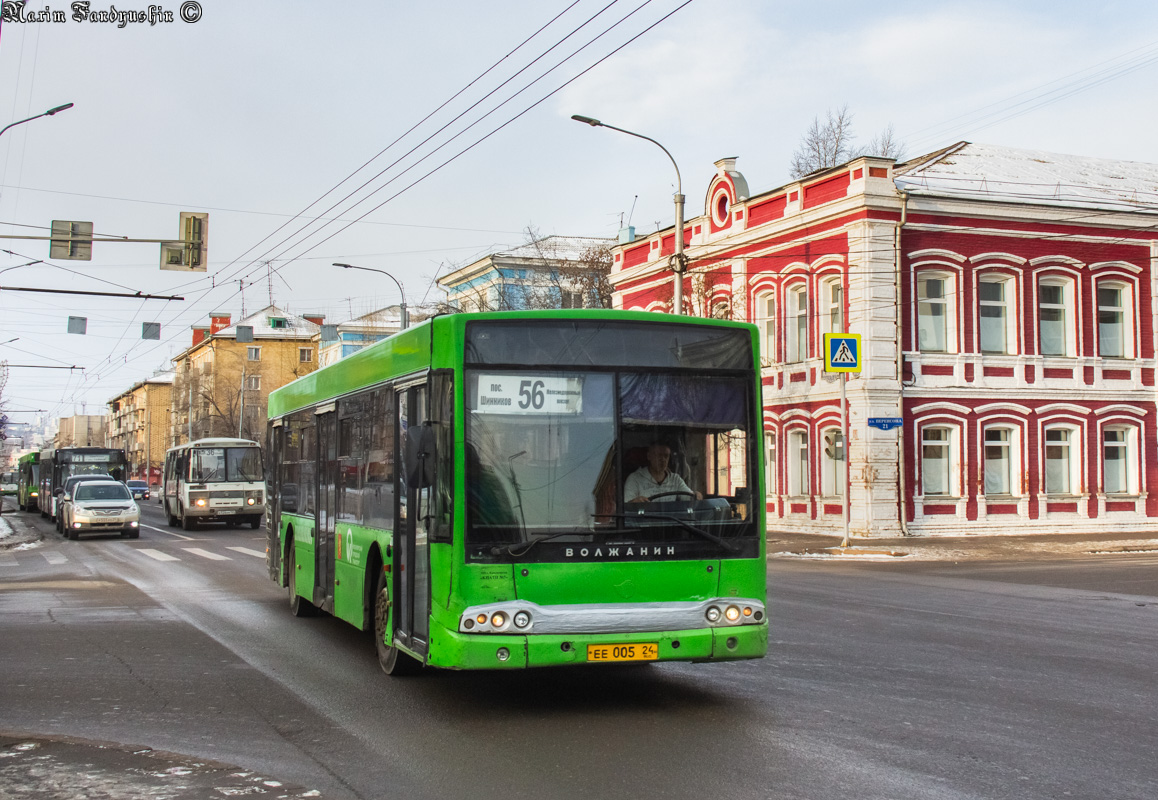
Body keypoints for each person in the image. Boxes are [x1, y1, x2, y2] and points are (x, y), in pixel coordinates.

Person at [624, 441, 700, 503]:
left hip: (671, 521)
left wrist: (696, 495)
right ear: (649, 456)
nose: (663, 459)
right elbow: (626, 507)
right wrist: (634, 502)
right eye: (659, 455)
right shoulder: (635, 479)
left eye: (666, 456)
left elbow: (689, 497)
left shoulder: (675, 479)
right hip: (644, 521)